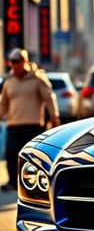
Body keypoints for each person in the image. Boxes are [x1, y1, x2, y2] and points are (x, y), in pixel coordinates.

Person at [0, 48, 60, 191]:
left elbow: (49, 98)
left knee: (32, 156)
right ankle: (13, 182)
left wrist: (54, 117)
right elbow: (4, 103)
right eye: (12, 62)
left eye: (17, 61)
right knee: (11, 153)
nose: (14, 64)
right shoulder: (9, 81)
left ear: (24, 61)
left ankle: (35, 183)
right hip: (14, 123)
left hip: (33, 124)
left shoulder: (37, 79)